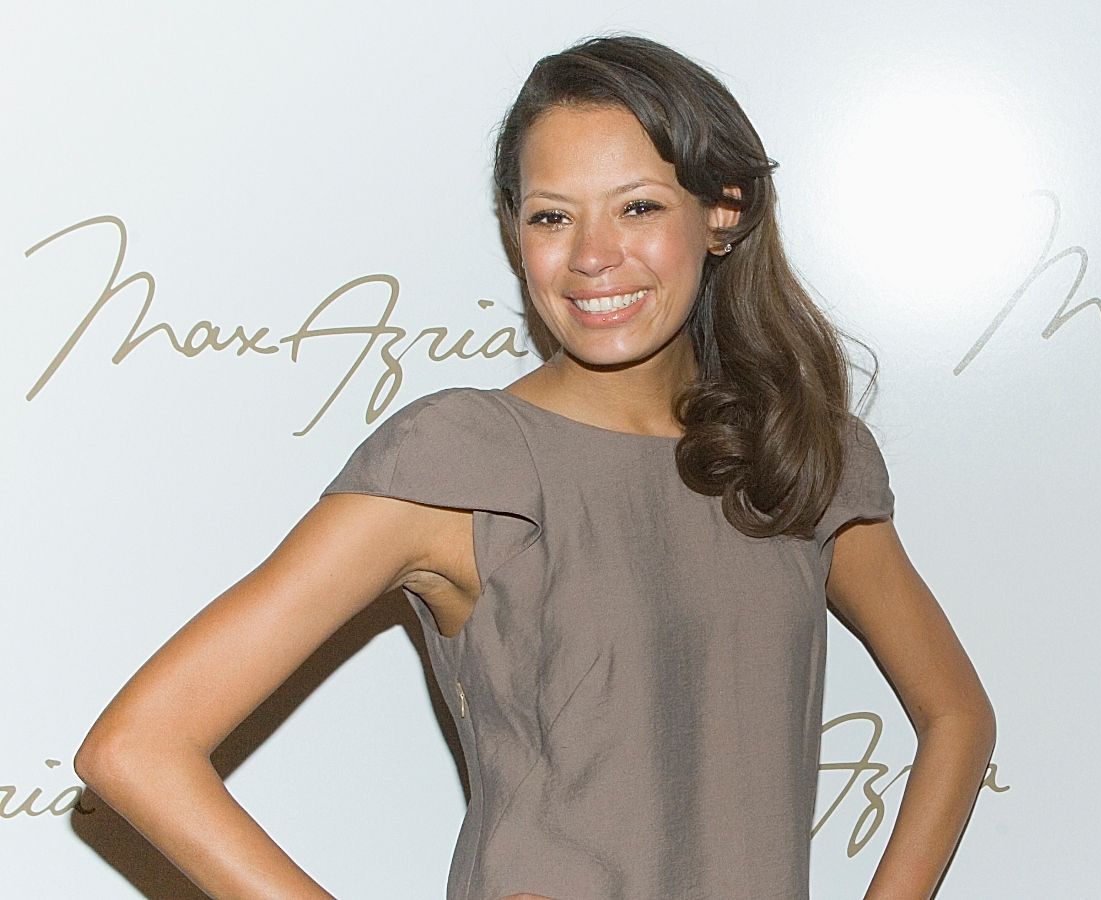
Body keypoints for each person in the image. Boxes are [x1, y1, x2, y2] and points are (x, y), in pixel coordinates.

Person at [74, 33, 995, 900]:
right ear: (515, 232)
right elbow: (137, 749)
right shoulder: (462, 456)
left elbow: (957, 716)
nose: (594, 256)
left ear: (723, 214)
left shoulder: (800, 456)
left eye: (638, 206)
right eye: (553, 215)